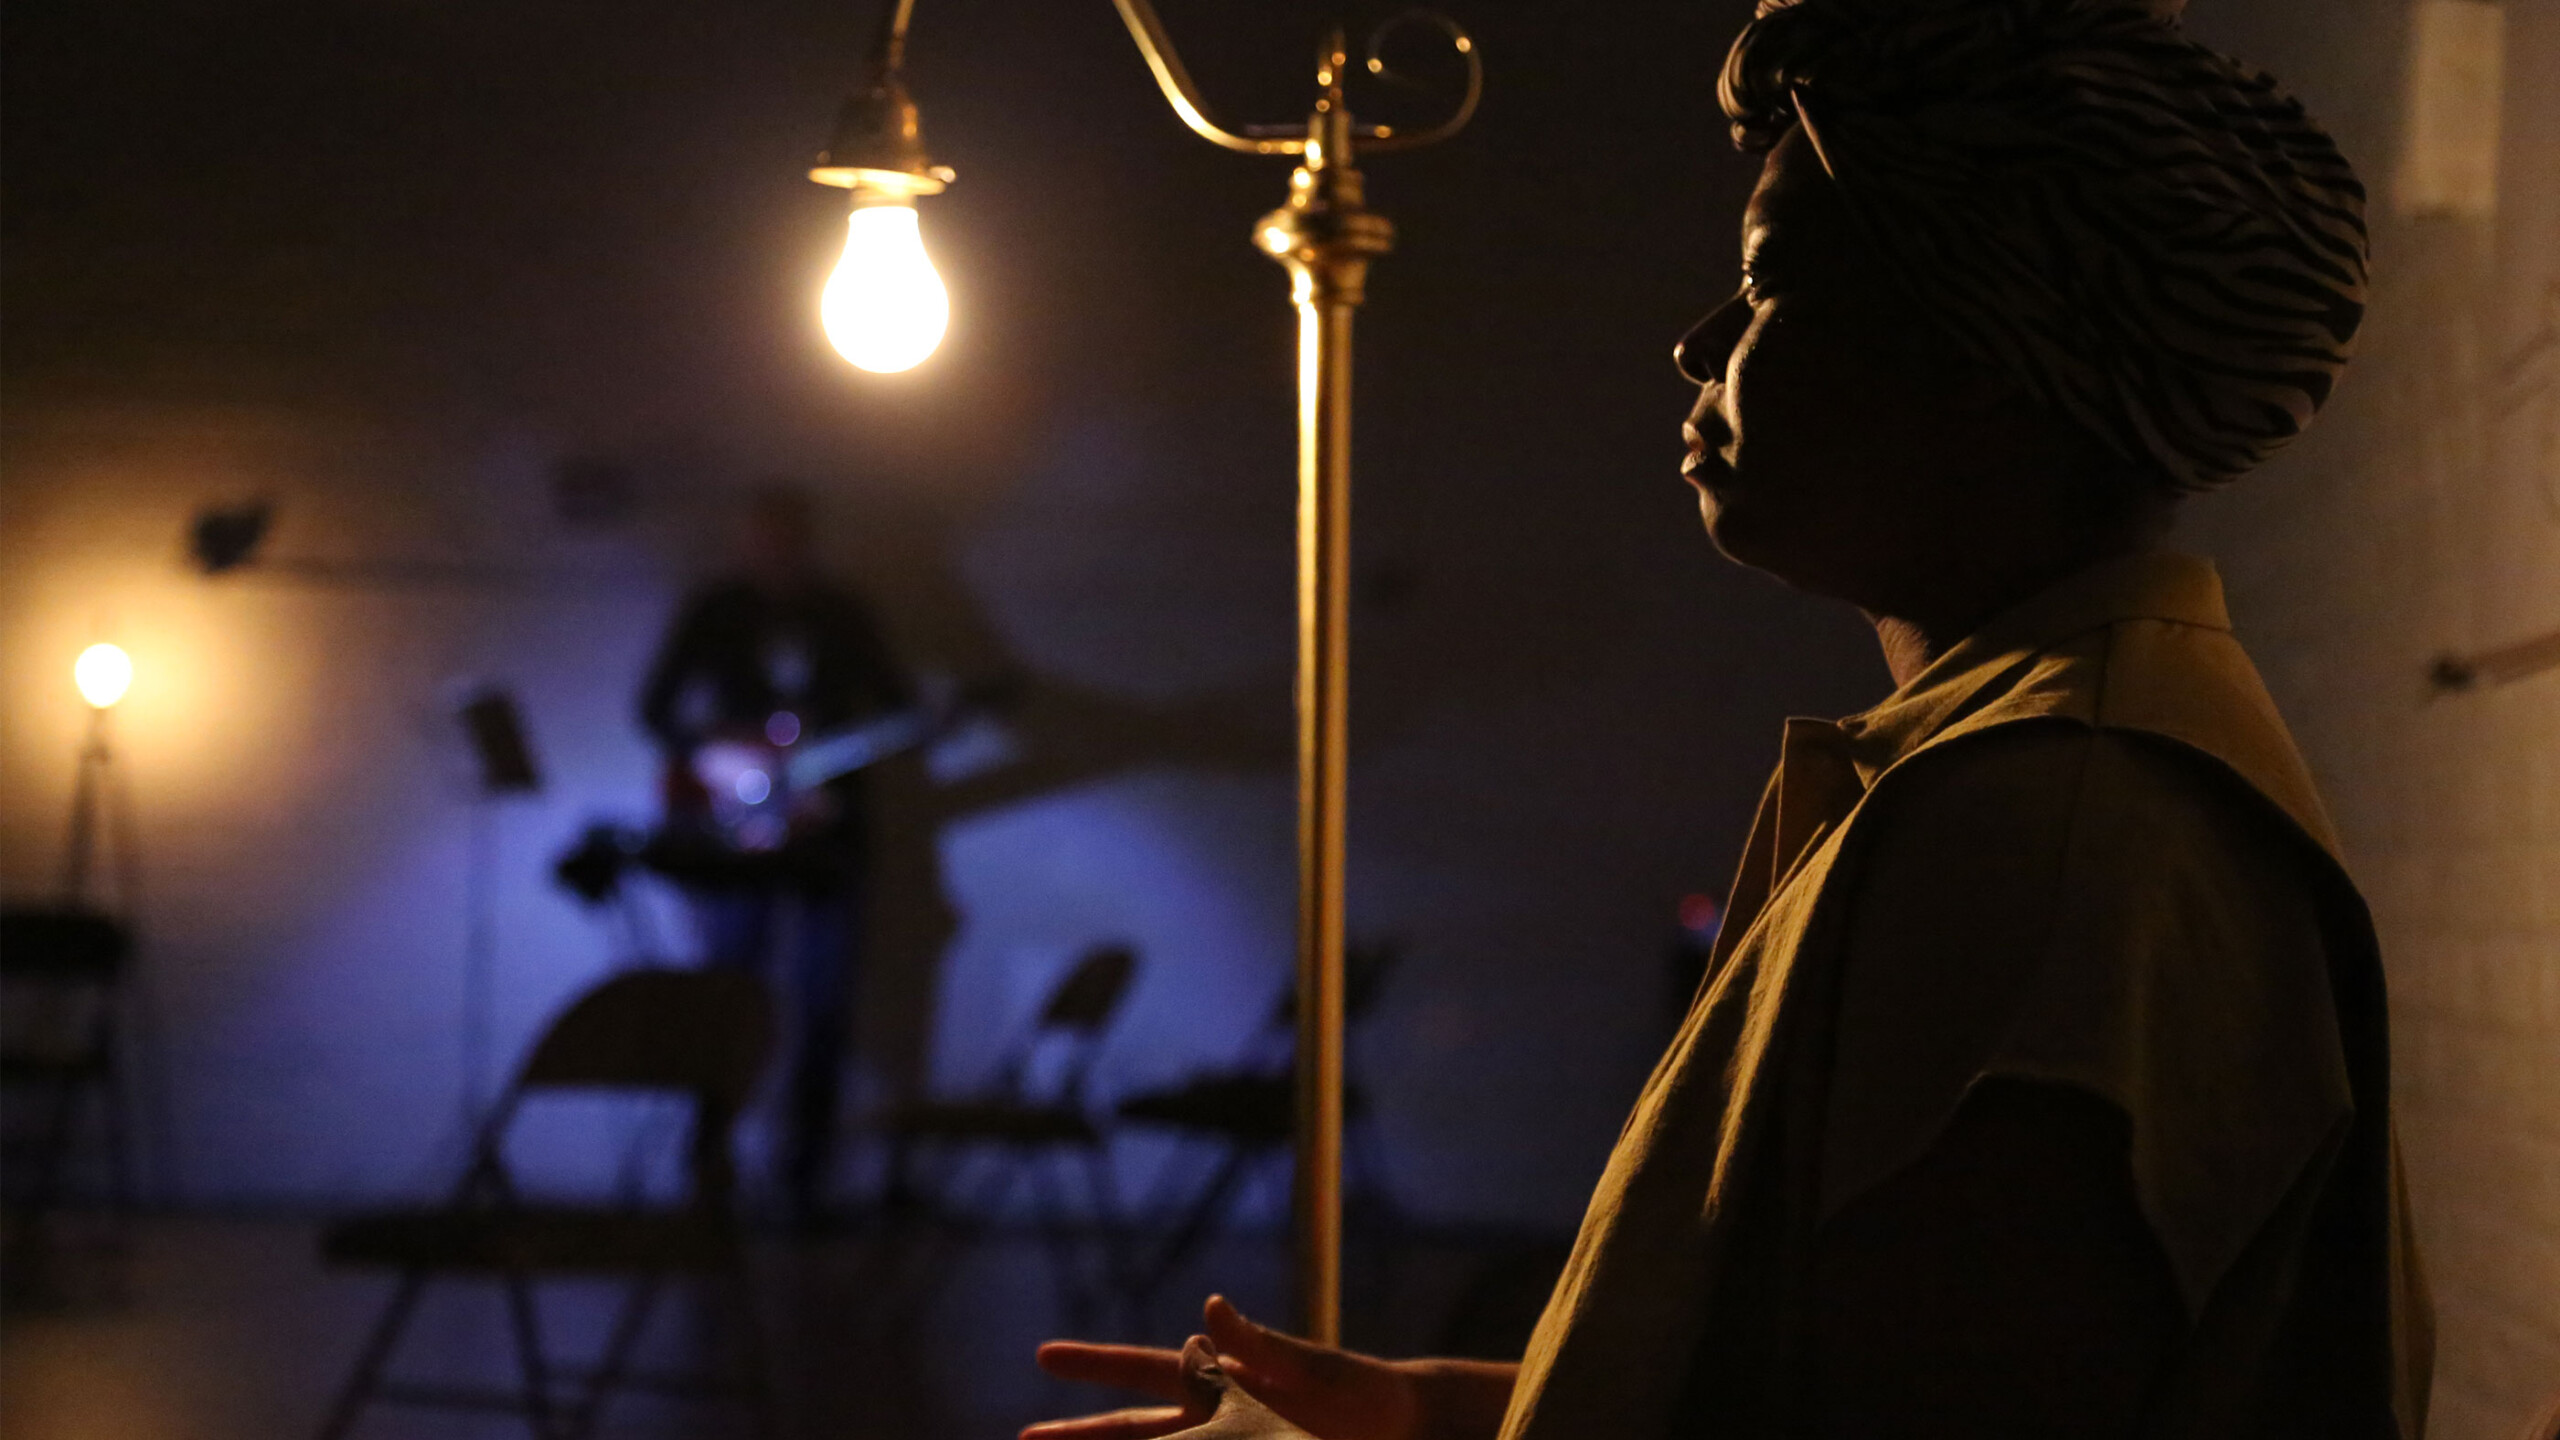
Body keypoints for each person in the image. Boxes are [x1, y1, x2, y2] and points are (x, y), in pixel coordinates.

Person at [1026, 0, 2432, 1435]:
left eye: (1771, 287)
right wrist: (1432, 1419)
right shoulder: (2022, 768)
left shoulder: (2049, 829)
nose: (1701, 344)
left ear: (1982, 345)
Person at [638, 482, 911, 1219]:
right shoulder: (718, 610)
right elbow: (656, 708)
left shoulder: (841, 614)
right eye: (761, 536)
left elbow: (897, 705)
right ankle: (710, 1172)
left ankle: (805, 1182)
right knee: (727, 1006)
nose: (773, 551)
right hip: (737, 842)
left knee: (824, 1010)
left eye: (786, 536)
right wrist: (724, 753)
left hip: (828, 843)